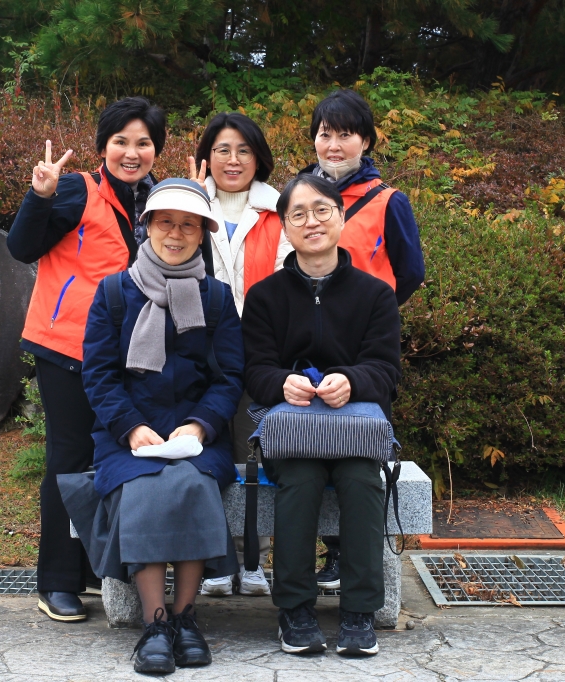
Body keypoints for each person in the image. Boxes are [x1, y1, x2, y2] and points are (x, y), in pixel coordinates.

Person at [7, 96, 166, 622]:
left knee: (110, 458)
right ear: (103, 147)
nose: (131, 152)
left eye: (143, 143)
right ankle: (57, 580)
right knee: (69, 457)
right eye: (121, 141)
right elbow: (22, 248)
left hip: (127, 355)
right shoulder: (78, 189)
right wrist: (39, 195)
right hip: (66, 347)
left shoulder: (156, 201)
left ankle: (92, 567)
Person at [81, 178, 244, 674]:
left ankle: (185, 617)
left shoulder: (216, 298)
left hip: (198, 436)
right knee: (144, 486)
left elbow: (229, 376)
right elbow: (98, 373)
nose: (176, 234)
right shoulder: (114, 292)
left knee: (193, 484)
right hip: (126, 436)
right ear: (147, 226)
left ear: (202, 233)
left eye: (189, 225)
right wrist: (130, 427)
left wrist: (200, 426)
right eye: (166, 222)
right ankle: (155, 623)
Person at [241, 174, 402, 656]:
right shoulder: (265, 296)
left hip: (355, 432)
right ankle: (294, 608)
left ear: (341, 217)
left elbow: (386, 370)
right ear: (285, 227)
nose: (311, 222)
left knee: (361, 480)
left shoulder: (375, 294)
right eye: (298, 214)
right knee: (300, 480)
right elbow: (254, 370)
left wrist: (351, 380)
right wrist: (281, 383)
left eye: (322, 210)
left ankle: (360, 611)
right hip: (293, 433)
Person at [302, 88, 425, 590]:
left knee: (362, 450)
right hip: (307, 342)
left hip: (366, 351)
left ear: (366, 140)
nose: (333, 145)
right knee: (309, 448)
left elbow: (411, 271)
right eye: (324, 134)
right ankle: (328, 553)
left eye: (345, 135)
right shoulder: (301, 195)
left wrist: (375, 311)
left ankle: (358, 558)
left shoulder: (388, 201)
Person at [188, 112, 290, 598]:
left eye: (244, 150)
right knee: (210, 449)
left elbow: (287, 279)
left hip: (260, 351)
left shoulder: (279, 209)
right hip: (198, 349)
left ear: (258, 157)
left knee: (256, 452)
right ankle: (215, 557)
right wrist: (192, 204)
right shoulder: (188, 204)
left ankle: (255, 559)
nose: (233, 160)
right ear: (206, 156)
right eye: (223, 150)